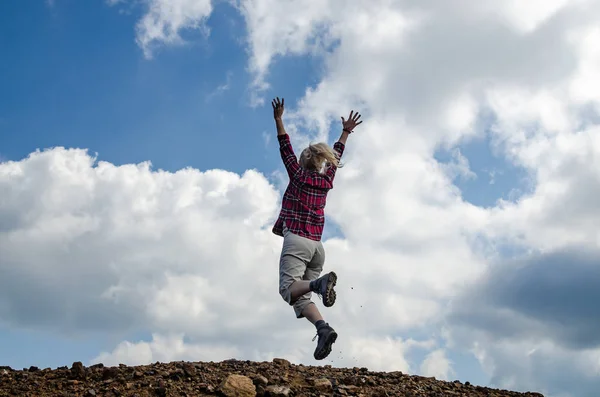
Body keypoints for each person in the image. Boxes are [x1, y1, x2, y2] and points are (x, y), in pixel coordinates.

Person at [270, 96, 363, 360]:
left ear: (301, 163)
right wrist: (345, 132)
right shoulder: (327, 180)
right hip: (317, 247)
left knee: (288, 289)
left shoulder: (297, 176)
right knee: (300, 297)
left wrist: (279, 119)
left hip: (297, 241)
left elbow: (284, 147)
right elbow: (338, 153)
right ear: (322, 163)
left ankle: (319, 284)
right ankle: (323, 329)